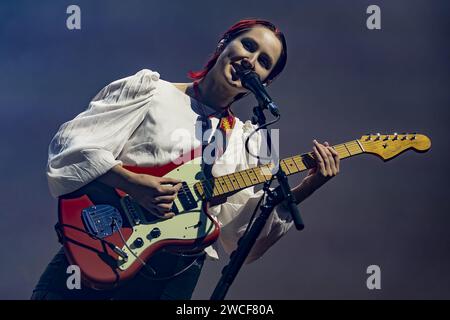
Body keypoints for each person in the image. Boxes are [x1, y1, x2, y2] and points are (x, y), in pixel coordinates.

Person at [31, 18, 340, 300]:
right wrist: (132, 183)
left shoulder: (251, 141)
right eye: (248, 45)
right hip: (99, 251)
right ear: (224, 44)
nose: (251, 60)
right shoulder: (153, 92)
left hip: (171, 281)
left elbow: (242, 242)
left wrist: (307, 187)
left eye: (264, 62)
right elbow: (70, 146)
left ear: (265, 82)